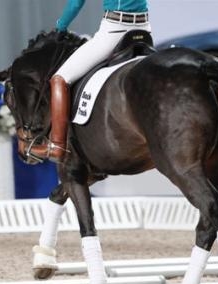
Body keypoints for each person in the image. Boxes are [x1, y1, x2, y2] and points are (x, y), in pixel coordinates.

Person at [48, 0, 151, 163]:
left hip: (115, 30)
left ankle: (57, 145)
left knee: (59, 79)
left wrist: (60, 27)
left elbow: (75, 4)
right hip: (144, 28)